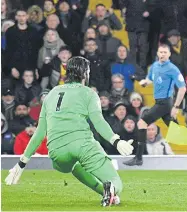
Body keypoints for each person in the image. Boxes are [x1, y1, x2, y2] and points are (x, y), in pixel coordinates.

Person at [4, 57, 134, 207]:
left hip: (57, 152)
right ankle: (111, 188)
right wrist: (116, 141)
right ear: (85, 73)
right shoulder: (88, 93)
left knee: (74, 165)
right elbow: (98, 122)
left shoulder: (52, 94)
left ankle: (105, 193)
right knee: (115, 180)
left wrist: (21, 163)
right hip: (82, 145)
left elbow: (40, 132)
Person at [124, 44, 187, 166]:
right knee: (176, 132)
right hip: (159, 102)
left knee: (142, 123)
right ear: (157, 53)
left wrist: (176, 107)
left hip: (165, 103)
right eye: (160, 52)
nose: (162, 54)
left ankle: (139, 158)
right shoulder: (155, 66)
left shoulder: (173, 69)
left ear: (169, 54)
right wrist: (144, 81)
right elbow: (151, 79)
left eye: (164, 52)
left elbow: (182, 89)